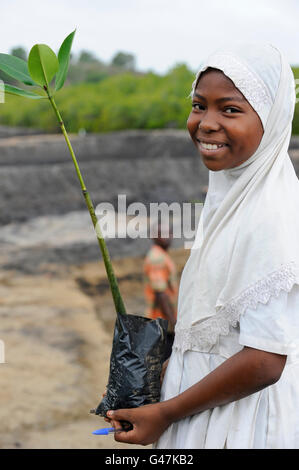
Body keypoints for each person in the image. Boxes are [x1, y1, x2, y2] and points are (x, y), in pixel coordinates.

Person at [105, 43, 299, 449]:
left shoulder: (269, 214)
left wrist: (165, 413)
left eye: (229, 109)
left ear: (273, 122)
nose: (206, 123)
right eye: (199, 105)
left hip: (239, 422)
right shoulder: (229, 200)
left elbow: (265, 361)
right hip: (203, 405)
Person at [143, 222, 178, 360]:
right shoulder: (157, 258)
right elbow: (161, 294)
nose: (168, 237)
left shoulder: (162, 256)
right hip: (162, 325)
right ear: (154, 236)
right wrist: (174, 324)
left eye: (170, 233)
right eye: (163, 234)